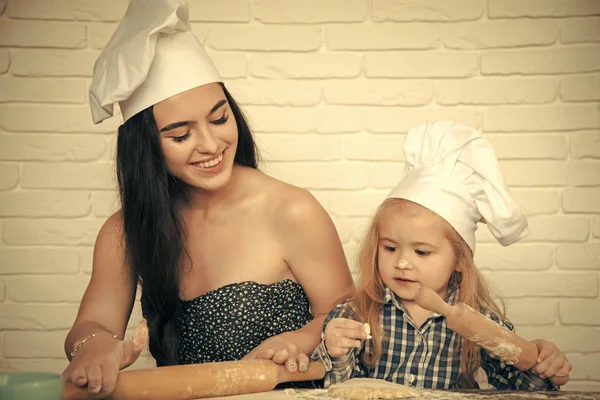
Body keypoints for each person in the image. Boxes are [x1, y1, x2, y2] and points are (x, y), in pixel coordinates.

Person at [62, 0, 353, 395]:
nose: (211, 143)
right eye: (181, 135)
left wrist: (294, 342)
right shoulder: (125, 231)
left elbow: (344, 315)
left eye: (219, 118)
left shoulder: (291, 210)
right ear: (145, 148)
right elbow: (92, 323)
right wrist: (94, 348)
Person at [312, 120, 572, 390]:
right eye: (390, 248)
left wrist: (542, 368)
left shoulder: (481, 320)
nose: (401, 262)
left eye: (421, 252)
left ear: (459, 259)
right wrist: (334, 352)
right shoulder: (356, 313)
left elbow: (520, 389)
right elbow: (333, 388)